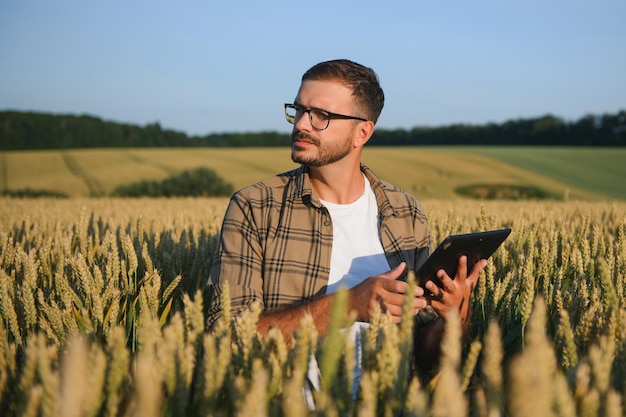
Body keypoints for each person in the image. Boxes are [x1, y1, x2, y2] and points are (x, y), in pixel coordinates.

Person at [206, 59, 486, 384]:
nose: (301, 125)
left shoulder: (406, 213)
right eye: (298, 110)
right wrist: (349, 304)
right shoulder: (255, 207)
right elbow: (228, 338)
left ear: (362, 132)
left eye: (321, 116)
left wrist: (452, 318)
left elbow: (423, 356)